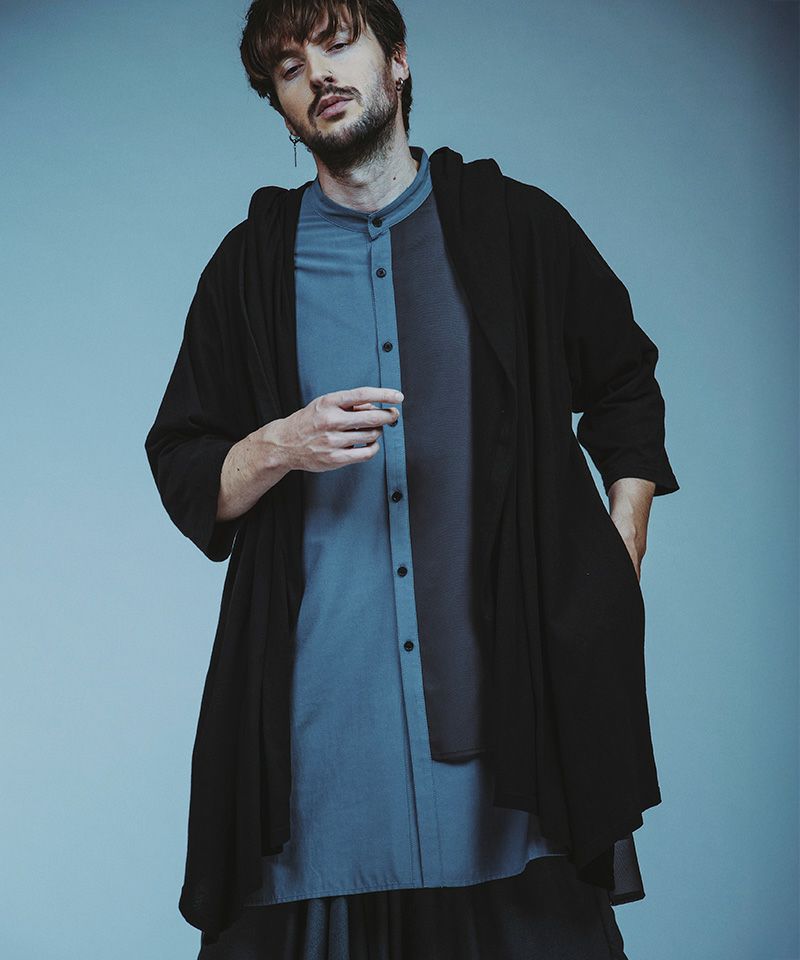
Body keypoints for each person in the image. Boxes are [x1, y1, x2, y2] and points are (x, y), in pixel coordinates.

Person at [144, 1, 680, 957]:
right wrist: (283, 444)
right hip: (317, 744)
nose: (318, 73)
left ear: (396, 60)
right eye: (289, 66)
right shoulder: (247, 269)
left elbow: (625, 382)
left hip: (506, 735)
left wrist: (620, 545)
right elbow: (187, 469)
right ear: (280, 106)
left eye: (337, 43)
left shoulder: (517, 229)